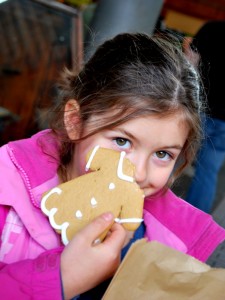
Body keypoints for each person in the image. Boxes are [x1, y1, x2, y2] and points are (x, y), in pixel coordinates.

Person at [0, 32, 225, 300]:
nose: (139, 173)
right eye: (121, 141)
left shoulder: (165, 242)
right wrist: (63, 278)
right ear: (75, 121)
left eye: (163, 154)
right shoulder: (7, 194)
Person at [184, 21, 225, 213]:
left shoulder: (213, 28)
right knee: (207, 172)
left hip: (199, 106)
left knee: (170, 155)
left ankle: (148, 203)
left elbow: (190, 58)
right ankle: (193, 220)